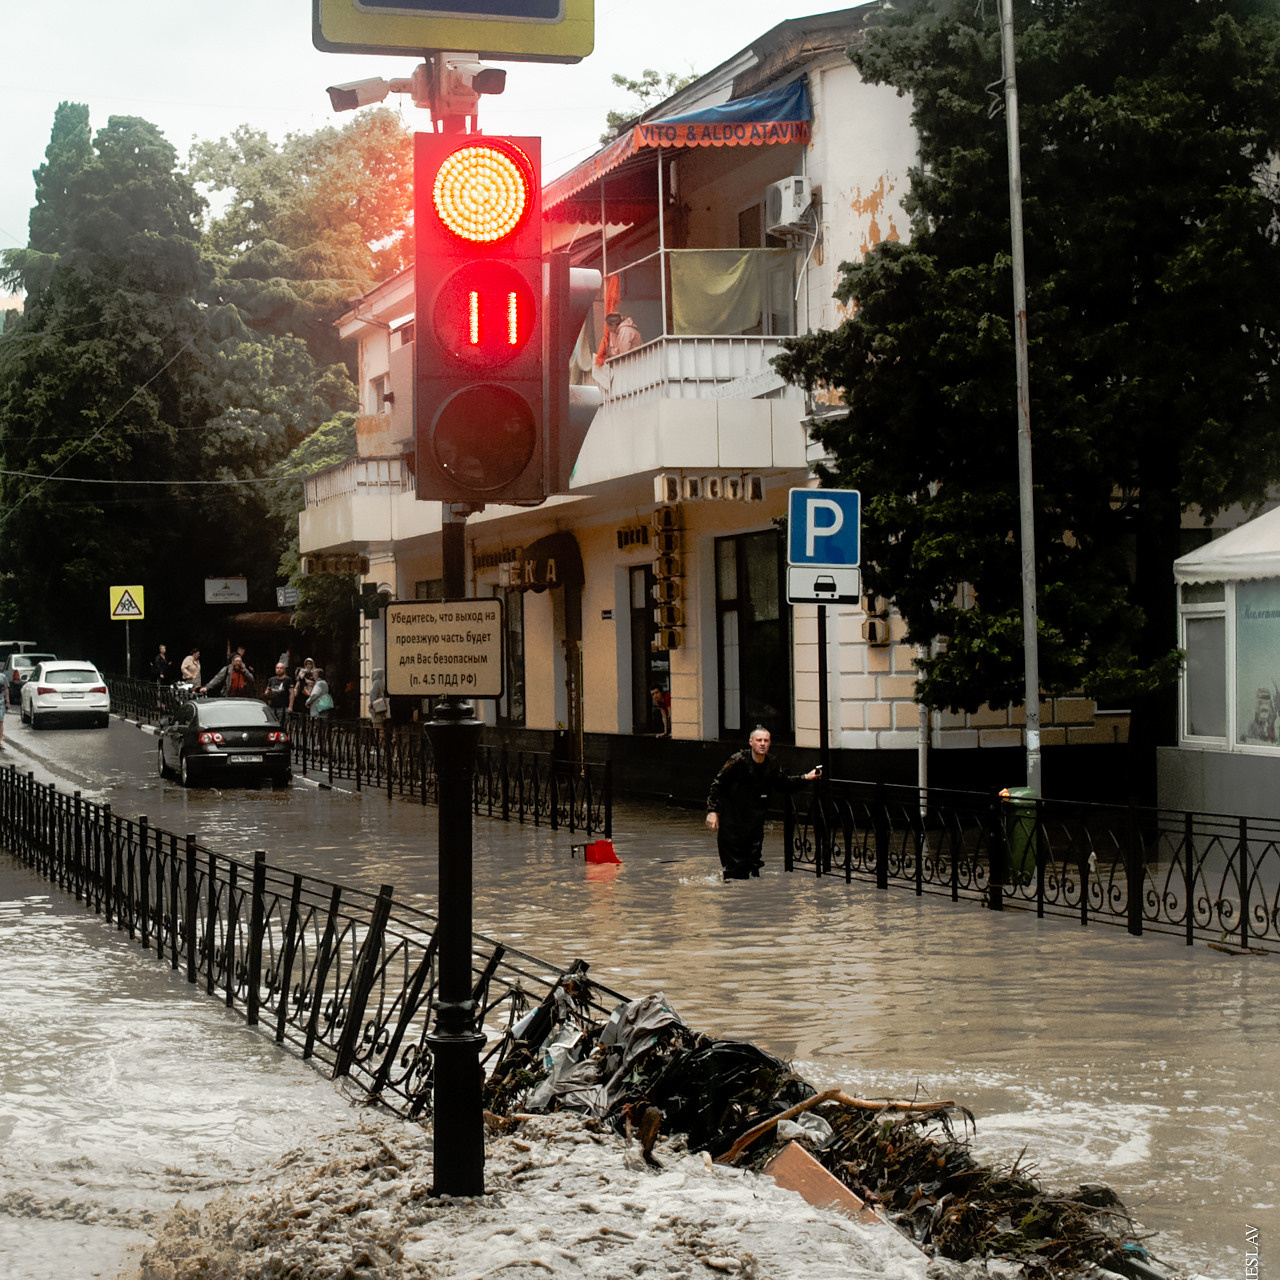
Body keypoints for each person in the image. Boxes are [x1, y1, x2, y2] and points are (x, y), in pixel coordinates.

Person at [705, 726, 820, 881]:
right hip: (732, 823)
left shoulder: (771, 763)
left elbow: (783, 782)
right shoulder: (737, 761)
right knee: (735, 871)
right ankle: (733, 899)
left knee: (753, 867)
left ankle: (753, 899)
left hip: (755, 822)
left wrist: (806, 777)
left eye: (766, 740)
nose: (762, 744)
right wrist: (713, 811)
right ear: (751, 742)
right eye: (759, 740)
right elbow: (717, 784)